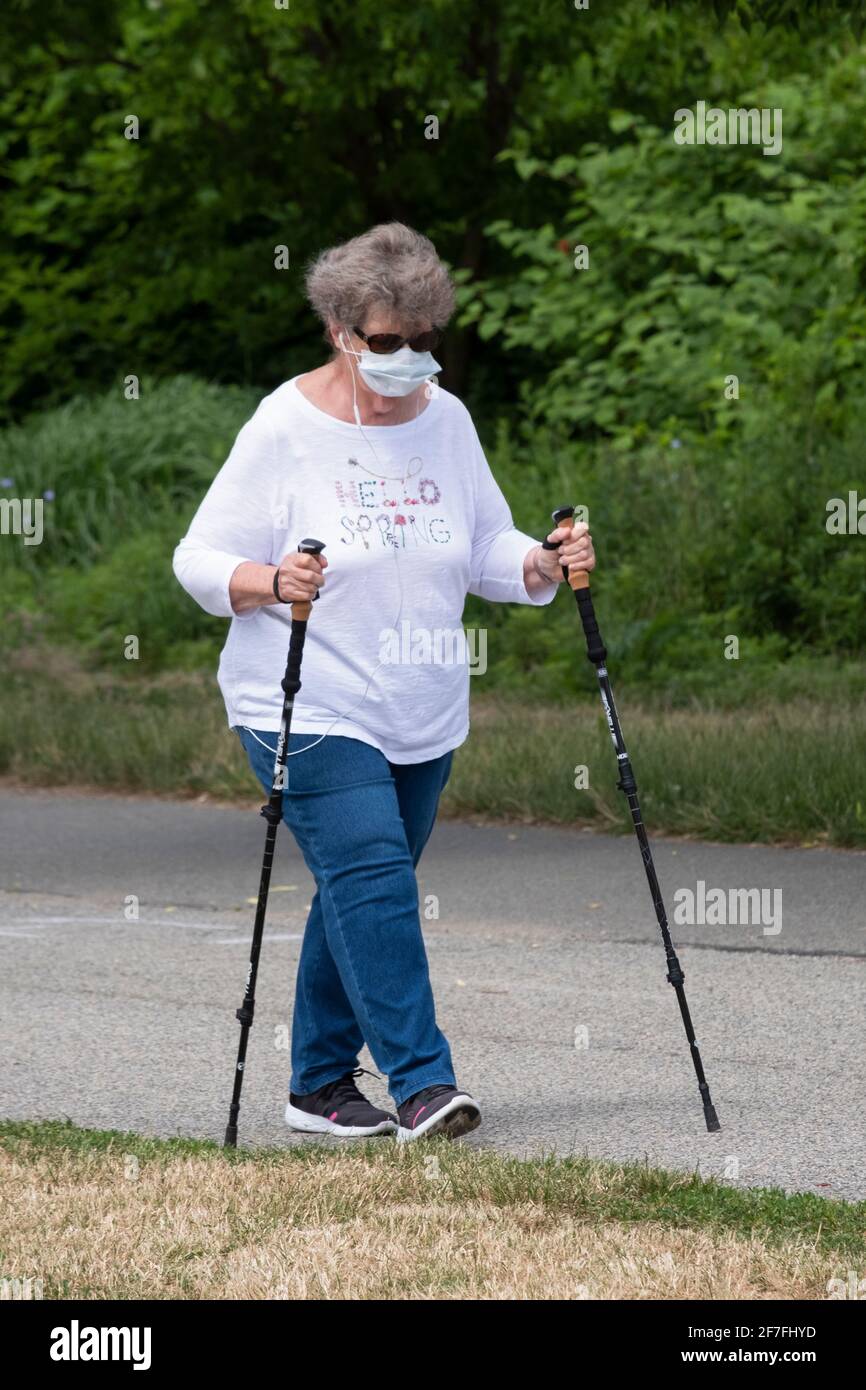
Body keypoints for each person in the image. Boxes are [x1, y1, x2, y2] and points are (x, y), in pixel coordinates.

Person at [173, 222, 595, 1143]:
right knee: (375, 881)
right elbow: (199, 558)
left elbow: (483, 544)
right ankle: (423, 1085)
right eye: (386, 341)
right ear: (339, 330)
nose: (408, 359)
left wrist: (540, 562)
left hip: (423, 705)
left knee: (360, 887)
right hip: (308, 700)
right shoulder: (285, 426)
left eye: (423, 339)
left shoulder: (447, 420)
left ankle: (318, 1084)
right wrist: (270, 581)